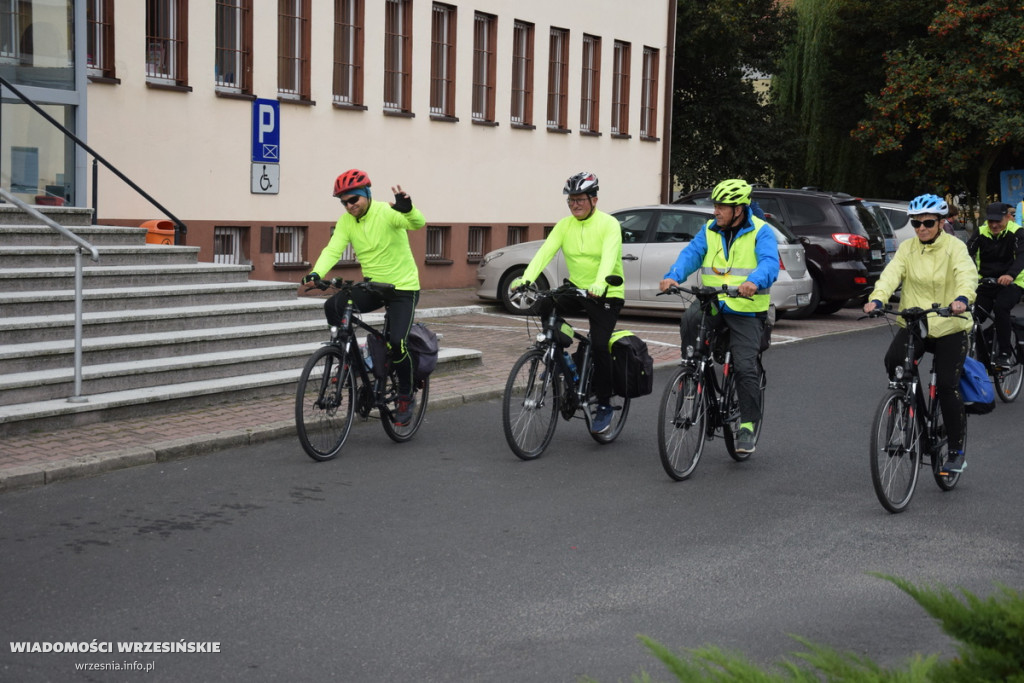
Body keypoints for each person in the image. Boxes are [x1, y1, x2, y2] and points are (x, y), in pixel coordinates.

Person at [659, 179, 779, 454]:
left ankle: (748, 425)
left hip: (747, 308)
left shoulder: (761, 231)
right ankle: (692, 373)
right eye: (715, 206)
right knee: (690, 318)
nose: (716, 211)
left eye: (721, 207)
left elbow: (769, 263)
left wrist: (755, 281)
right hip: (715, 302)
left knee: (745, 365)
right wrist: (673, 276)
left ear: (739, 209)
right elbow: (691, 254)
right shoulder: (709, 230)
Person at [299, 169, 425, 425]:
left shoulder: (387, 212)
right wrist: (316, 273)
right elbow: (333, 249)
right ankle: (348, 358)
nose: (349, 206)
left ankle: (405, 394)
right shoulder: (346, 222)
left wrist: (407, 208)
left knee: (398, 342)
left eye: (353, 200)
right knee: (333, 305)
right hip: (374, 287)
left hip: (403, 288)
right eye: (343, 202)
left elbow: (417, 223)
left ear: (366, 194)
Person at [862, 193, 977, 475]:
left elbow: (967, 274)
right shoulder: (908, 248)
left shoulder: (955, 248)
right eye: (916, 223)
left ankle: (956, 451)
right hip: (918, 322)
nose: (921, 228)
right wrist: (877, 299)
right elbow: (891, 275)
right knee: (894, 363)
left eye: (927, 222)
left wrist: (962, 297)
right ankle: (910, 407)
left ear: (940, 222)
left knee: (948, 385)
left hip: (951, 323)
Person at [510, 172, 626, 434]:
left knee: (599, 345)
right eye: (571, 200)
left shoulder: (609, 224)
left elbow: (609, 257)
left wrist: (600, 284)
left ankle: (605, 405)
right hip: (577, 288)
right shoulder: (565, 225)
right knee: (544, 305)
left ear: (594, 199)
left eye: (580, 200)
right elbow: (544, 253)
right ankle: (562, 358)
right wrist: (525, 279)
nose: (575, 205)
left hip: (606, 292)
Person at [967, 201, 1024, 367]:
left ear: (1007, 217)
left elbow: (1022, 257)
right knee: (974, 316)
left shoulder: (1017, 233)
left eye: (998, 221)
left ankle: (1005, 353)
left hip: (1013, 282)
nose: (993, 225)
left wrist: (1010, 275)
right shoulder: (980, 232)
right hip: (986, 281)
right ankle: (983, 353)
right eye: (991, 221)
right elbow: (965, 253)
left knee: (1001, 308)